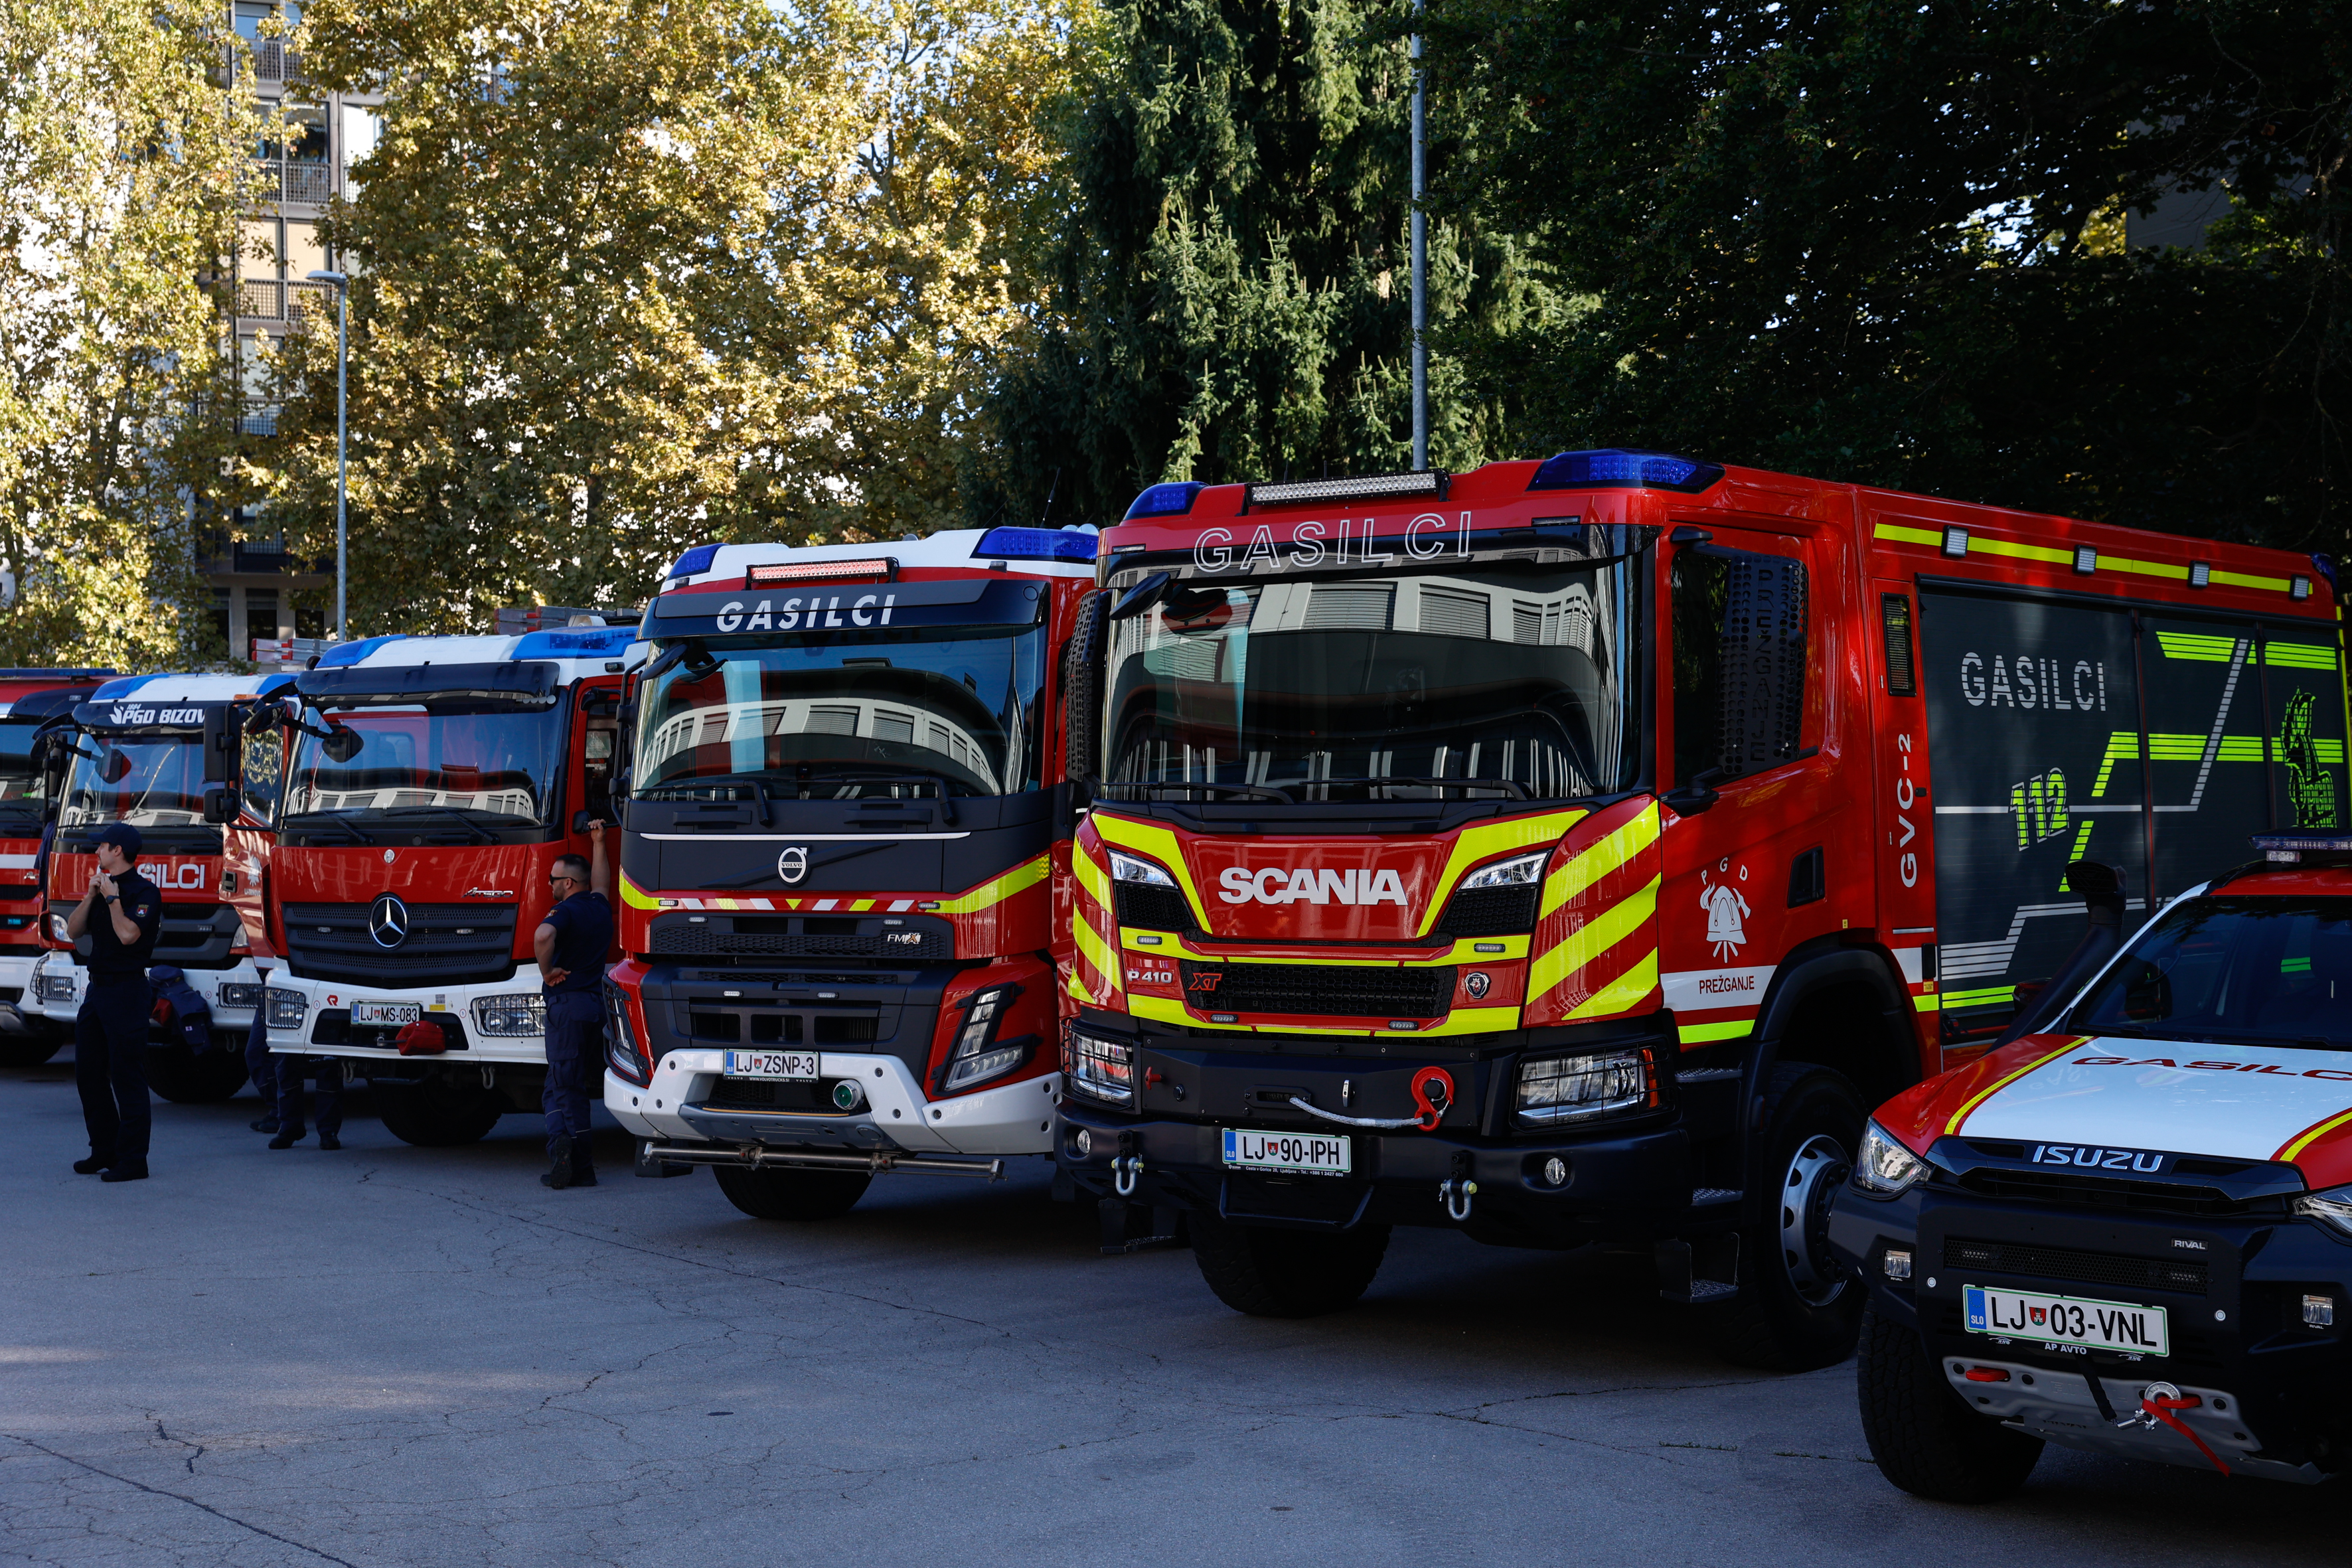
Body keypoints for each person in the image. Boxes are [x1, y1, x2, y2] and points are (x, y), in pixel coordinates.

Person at [68, 823, 163, 1182]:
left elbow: (128, 935)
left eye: (103, 846)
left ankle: (133, 1160)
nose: (97, 852)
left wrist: (112, 899)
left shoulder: (144, 892)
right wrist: (91, 896)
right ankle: (104, 1150)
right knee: (88, 1073)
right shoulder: (101, 889)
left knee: (127, 1075)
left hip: (127, 991)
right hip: (98, 991)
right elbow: (73, 931)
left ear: (118, 851)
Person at [534, 821, 611, 1190]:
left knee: (566, 1088)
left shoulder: (564, 912)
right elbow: (602, 883)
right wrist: (599, 842)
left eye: (553, 879)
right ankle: (560, 1148)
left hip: (567, 1007)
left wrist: (546, 971)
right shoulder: (599, 906)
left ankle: (580, 1164)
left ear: (567, 884)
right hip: (595, 1007)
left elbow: (543, 935)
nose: (549, 884)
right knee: (558, 1084)